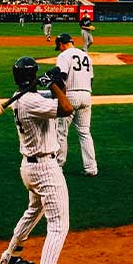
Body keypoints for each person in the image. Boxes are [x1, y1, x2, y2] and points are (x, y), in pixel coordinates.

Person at [0, 56, 75, 264]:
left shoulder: (21, 97)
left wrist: (56, 82)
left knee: (34, 211)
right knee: (58, 226)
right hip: (45, 170)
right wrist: (53, 84)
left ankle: (9, 257)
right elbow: (66, 108)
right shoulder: (30, 101)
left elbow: (53, 96)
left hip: (29, 168)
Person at [54, 33, 97, 177]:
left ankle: (58, 166)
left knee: (61, 132)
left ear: (61, 44)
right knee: (85, 132)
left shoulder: (64, 56)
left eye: (58, 46)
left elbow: (62, 78)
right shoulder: (86, 56)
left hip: (70, 95)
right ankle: (91, 168)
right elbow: (91, 79)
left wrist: (60, 97)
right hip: (86, 95)